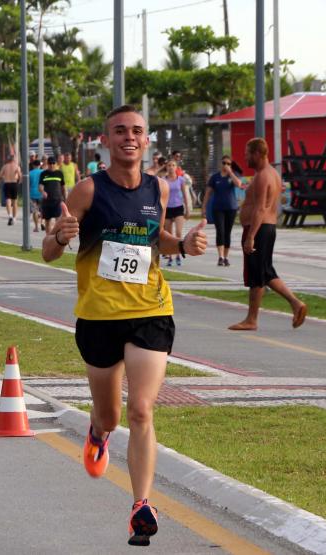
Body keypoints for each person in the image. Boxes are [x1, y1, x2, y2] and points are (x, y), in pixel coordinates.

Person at [42, 105, 207, 546]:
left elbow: (158, 238)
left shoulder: (161, 186)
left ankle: (141, 505)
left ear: (146, 139)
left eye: (136, 131)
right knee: (112, 415)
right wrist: (58, 237)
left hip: (151, 310)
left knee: (141, 410)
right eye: (120, 131)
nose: (129, 137)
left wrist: (185, 245)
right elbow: (48, 252)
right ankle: (97, 432)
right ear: (107, 141)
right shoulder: (88, 191)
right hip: (98, 317)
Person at [228, 138, 307, 331]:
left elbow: (261, 208)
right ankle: (294, 305)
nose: (245, 158)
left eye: (247, 154)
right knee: (264, 272)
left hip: (260, 228)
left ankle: (253, 319)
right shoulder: (272, 174)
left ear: (257, 154)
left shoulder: (264, 176)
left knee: (258, 274)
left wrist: (251, 236)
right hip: (266, 228)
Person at [202, 155, 245, 266]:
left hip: (231, 208)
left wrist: (230, 173)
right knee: (220, 231)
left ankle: (226, 257)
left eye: (228, 163)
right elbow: (208, 193)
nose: (225, 165)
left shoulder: (233, 176)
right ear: (220, 164)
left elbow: (239, 184)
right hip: (218, 208)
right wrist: (204, 207)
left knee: (227, 233)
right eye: (224, 163)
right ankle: (220, 256)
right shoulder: (215, 177)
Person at [162, 160, 189, 267]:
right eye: (169, 165)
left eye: (173, 165)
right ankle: (170, 256)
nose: (171, 167)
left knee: (178, 232)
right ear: (166, 167)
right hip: (167, 209)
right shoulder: (163, 180)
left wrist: (187, 208)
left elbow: (185, 194)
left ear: (176, 167)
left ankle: (178, 255)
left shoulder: (180, 180)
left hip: (178, 208)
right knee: (169, 234)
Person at [39, 156, 66, 235]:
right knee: (47, 221)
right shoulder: (43, 174)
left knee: (58, 220)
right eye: (50, 163)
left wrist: (65, 198)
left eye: (53, 163)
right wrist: (43, 192)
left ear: (56, 164)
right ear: (47, 164)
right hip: (47, 201)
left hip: (57, 200)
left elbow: (63, 187)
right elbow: (40, 186)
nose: (52, 165)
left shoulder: (59, 173)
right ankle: (48, 237)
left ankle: (56, 237)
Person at [0, 154, 21, 225]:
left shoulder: (5, 166)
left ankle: (10, 215)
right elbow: (20, 175)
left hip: (7, 183)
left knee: (8, 200)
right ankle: (14, 218)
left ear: (8, 159)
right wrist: (18, 181)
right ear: (14, 159)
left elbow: (0, 175)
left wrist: (4, 178)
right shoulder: (16, 166)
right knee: (14, 201)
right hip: (14, 183)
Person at [29, 159, 44, 232]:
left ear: (33, 165)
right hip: (41, 193)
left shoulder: (30, 173)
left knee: (35, 211)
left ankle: (36, 227)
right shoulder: (43, 172)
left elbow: (28, 184)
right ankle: (42, 223)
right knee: (42, 210)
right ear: (40, 165)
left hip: (32, 194)